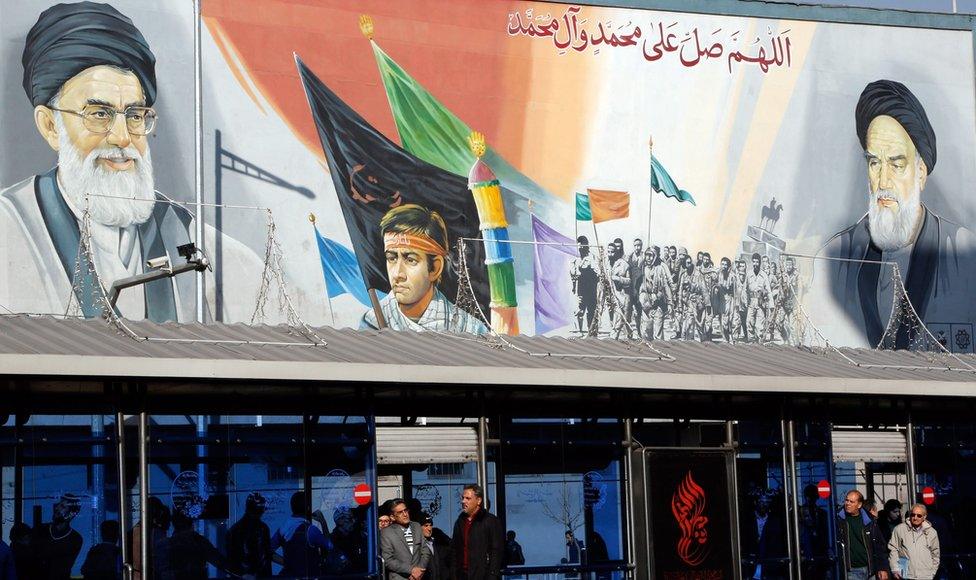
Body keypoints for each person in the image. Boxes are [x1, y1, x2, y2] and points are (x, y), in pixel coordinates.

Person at [1, 2, 263, 322]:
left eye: (135, 115)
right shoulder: (8, 230)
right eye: (99, 114)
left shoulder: (220, 256)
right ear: (50, 126)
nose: (123, 138)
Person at [815, 79, 976, 348]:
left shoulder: (965, 255)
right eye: (875, 163)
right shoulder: (836, 256)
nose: (883, 182)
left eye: (896, 164)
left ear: (921, 172)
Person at [362, 204, 487, 333]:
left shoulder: (469, 329)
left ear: (435, 268)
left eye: (410, 260)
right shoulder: (372, 323)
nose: (398, 274)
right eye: (392, 258)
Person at [271, 491, 332, 578]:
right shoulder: (311, 530)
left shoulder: (283, 529)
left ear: (292, 508)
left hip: (290, 576)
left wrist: (288, 563)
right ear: (308, 508)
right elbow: (329, 546)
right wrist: (323, 522)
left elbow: (268, 552)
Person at [159, 510, 233, 579]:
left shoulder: (167, 544)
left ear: (174, 524)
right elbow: (219, 561)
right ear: (191, 523)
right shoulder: (198, 541)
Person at [451, 484, 503, 580]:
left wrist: (492, 575)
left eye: (468, 498)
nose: (463, 501)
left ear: (478, 501)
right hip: (462, 575)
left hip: (483, 575)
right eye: (463, 498)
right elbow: (455, 550)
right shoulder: (460, 521)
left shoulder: (490, 521)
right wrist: (454, 574)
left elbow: (496, 550)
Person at [837, 490, 890, 580]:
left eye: (852, 502)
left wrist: (882, 568)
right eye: (847, 500)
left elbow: (879, 546)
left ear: (859, 505)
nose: (848, 503)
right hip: (851, 570)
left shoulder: (869, 520)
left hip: (870, 569)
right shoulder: (839, 519)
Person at [30, 493, 83, 579]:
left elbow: (62, 568)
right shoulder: (39, 530)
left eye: (62, 506)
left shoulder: (75, 539)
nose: (57, 508)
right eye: (58, 505)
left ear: (72, 513)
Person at [888, 504, 939, 580]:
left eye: (919, 515)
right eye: (913, 515)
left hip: (925, 576)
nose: (915, 518)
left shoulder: (932, 532)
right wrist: (895, 569)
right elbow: (893, 549)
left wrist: (932, 573)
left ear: (924, 517)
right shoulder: (899, 529)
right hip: (906, 575)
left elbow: (935, 554)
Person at [381, 499, 429, 580]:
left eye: (405, 510)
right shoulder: (386, 532)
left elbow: (425, 551)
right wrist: (411, 570)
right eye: (400, 512)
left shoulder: (416, 526)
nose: (405, 514)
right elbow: (388, 560)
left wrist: (419, 571)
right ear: (392, 517)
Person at [227, 492, 272, 578]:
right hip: (254, 575)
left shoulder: (234, 529)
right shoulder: (262, 528)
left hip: (243, 575)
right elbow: (264, 556)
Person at [638, 245, 672, 340]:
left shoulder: (660, 268)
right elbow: (639, 264)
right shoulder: (643, 268)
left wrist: (669, 303)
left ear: (655, 256)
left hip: (658, 303)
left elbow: (666, 286)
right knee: (646, 332)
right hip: (646, 304)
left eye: (651, 255)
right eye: (647, 255)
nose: (649, 258)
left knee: (658, 334)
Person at [799, 485, 829, 580]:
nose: (810, 499)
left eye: (813, 496)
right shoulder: (799, 512)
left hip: (819, 554)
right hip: (805, 553)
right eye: (809, 496)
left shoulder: (822, 514)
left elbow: (825, 536)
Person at [571, 235, 599, 335]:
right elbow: (572, 275)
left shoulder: (592, 258)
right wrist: (574, 285)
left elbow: (598, 274)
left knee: (591, 311)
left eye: (582, 246)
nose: (580, 248)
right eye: (579, 246)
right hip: (580, 289)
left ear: (586, 246)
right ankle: (580, 331)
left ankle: (591, 331)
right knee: (580, 311)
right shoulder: (576, 260)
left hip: (591, 289)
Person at [608, 239, 633, 339]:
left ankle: (614, 341)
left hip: (621, 297)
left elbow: (629, 281)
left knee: (618, 323)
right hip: (610, 298)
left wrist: (618, 279)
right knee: (614, 321)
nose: (610, 254)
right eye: (608, 252)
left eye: (612, 252)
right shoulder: (606, 264)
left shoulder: (624, 264)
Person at [745, 253, 771, 343]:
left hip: (760, 302)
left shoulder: (764, 275)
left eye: (757, 262)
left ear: (760, 263)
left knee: (759, 325)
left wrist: (770, 305)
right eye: (754, 262)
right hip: (751, 301)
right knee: (749, 322)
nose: (755, 264)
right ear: (752, 262)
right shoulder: (749, 274)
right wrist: (744, 301)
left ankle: (759, 342)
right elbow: (745, 289)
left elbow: (768, 290)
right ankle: (751, 341)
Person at [420, 513, 451, 580]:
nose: (429, 528)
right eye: (426, 526)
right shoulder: (416, 546)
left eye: (431, 525)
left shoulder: (439, 544)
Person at [627, 238, 645, 333]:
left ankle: (639, 331)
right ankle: (629, 332)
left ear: (641, 246)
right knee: (629, 311)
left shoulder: (645, 257)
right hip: (631, 288)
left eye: (639, 245)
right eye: (635, 245)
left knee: (639, 311)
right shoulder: (629, 257)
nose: (637, 247)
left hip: (640, 288)